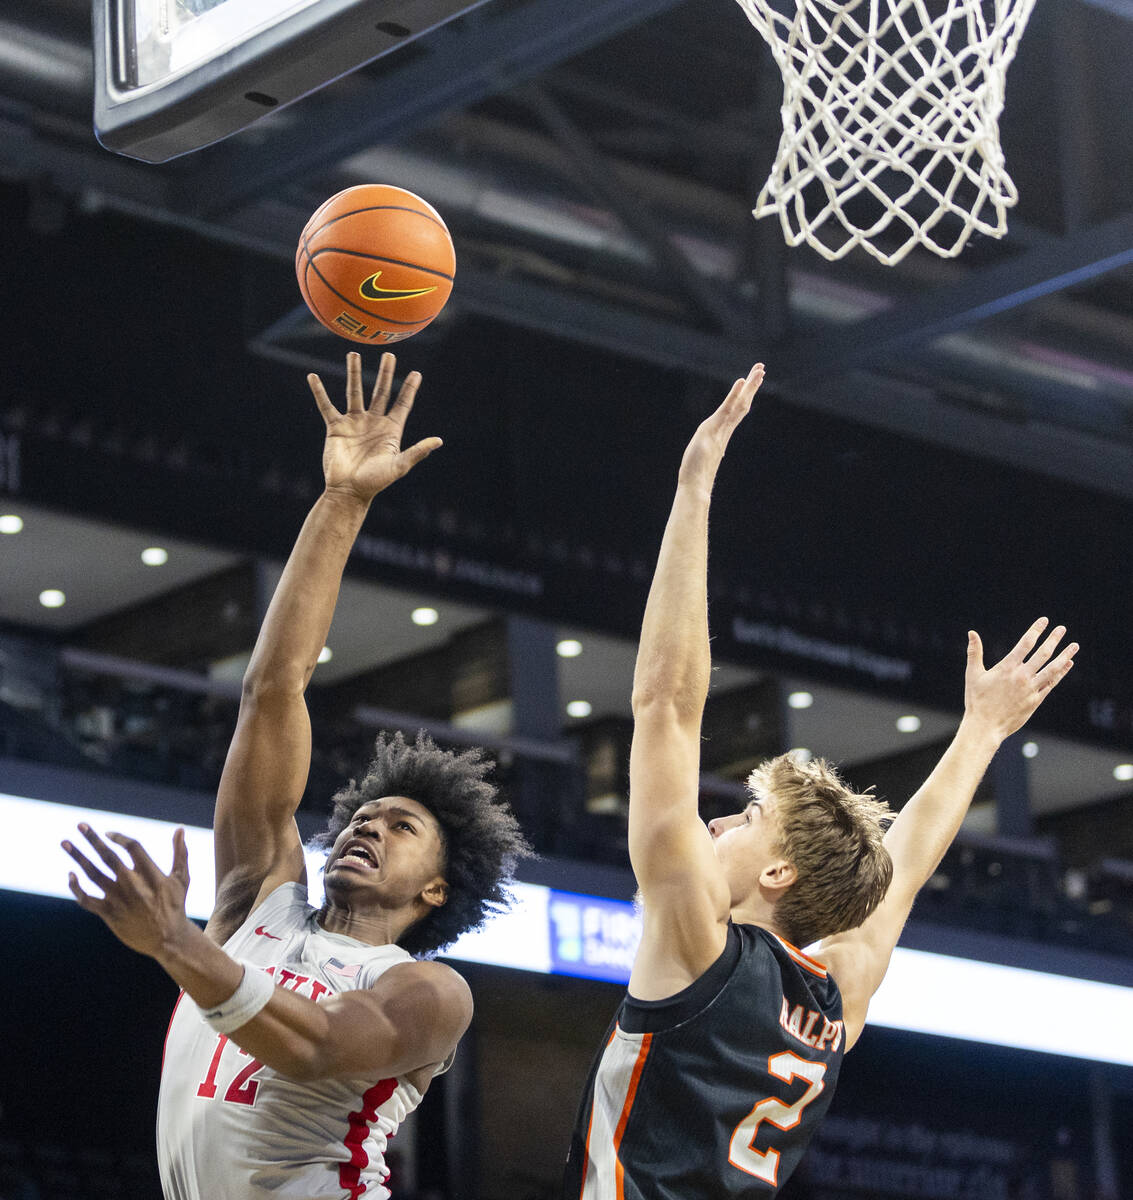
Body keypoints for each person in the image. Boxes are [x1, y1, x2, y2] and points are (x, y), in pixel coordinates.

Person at [563, 363, 1077, 1199]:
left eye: (747, 816)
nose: (720, 825)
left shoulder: (697, 949)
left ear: (776, 874)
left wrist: (693, 488)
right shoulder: (836, 995)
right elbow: (902, 869)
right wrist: (981, 731)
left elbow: (666, 703)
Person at [62, 352, 529, 1200]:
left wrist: (175, 942)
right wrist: (342, 502)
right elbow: (272, 690)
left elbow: (313, 1045)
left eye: (400, 828)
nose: (366, 827)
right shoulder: (258, 902)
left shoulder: (426, 991)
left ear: (436, 890)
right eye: (365, 815)